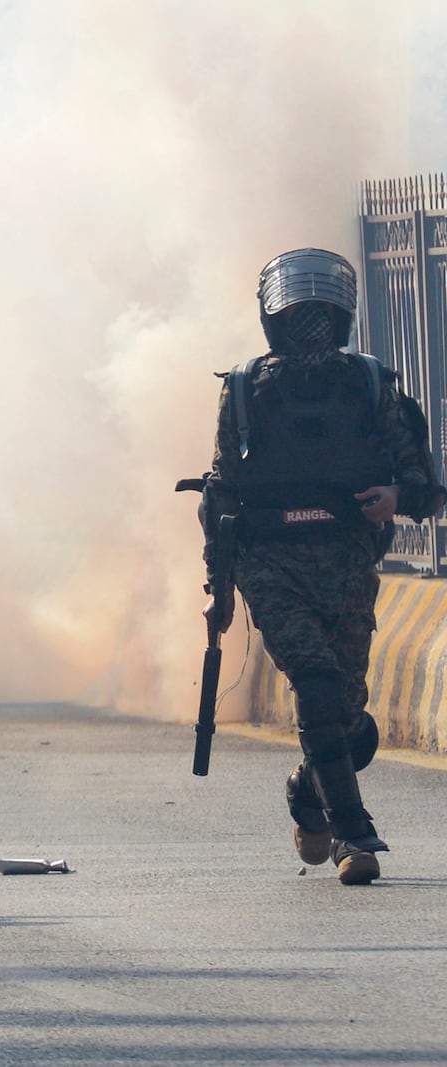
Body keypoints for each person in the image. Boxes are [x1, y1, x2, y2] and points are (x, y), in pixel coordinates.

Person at [202, 248, 444, 887]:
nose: (308, 331)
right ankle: (352, 835)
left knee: (348, 721)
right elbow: (221, 492)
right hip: (270, 562)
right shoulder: (246, 390)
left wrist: (395, 496)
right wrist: (219, 588)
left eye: (319, 318)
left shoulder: (371, 386)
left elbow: (423, 481)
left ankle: (307, 794)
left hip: (346, 563)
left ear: (340, 320)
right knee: (312, 679)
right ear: (274, 322)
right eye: (297, 318)